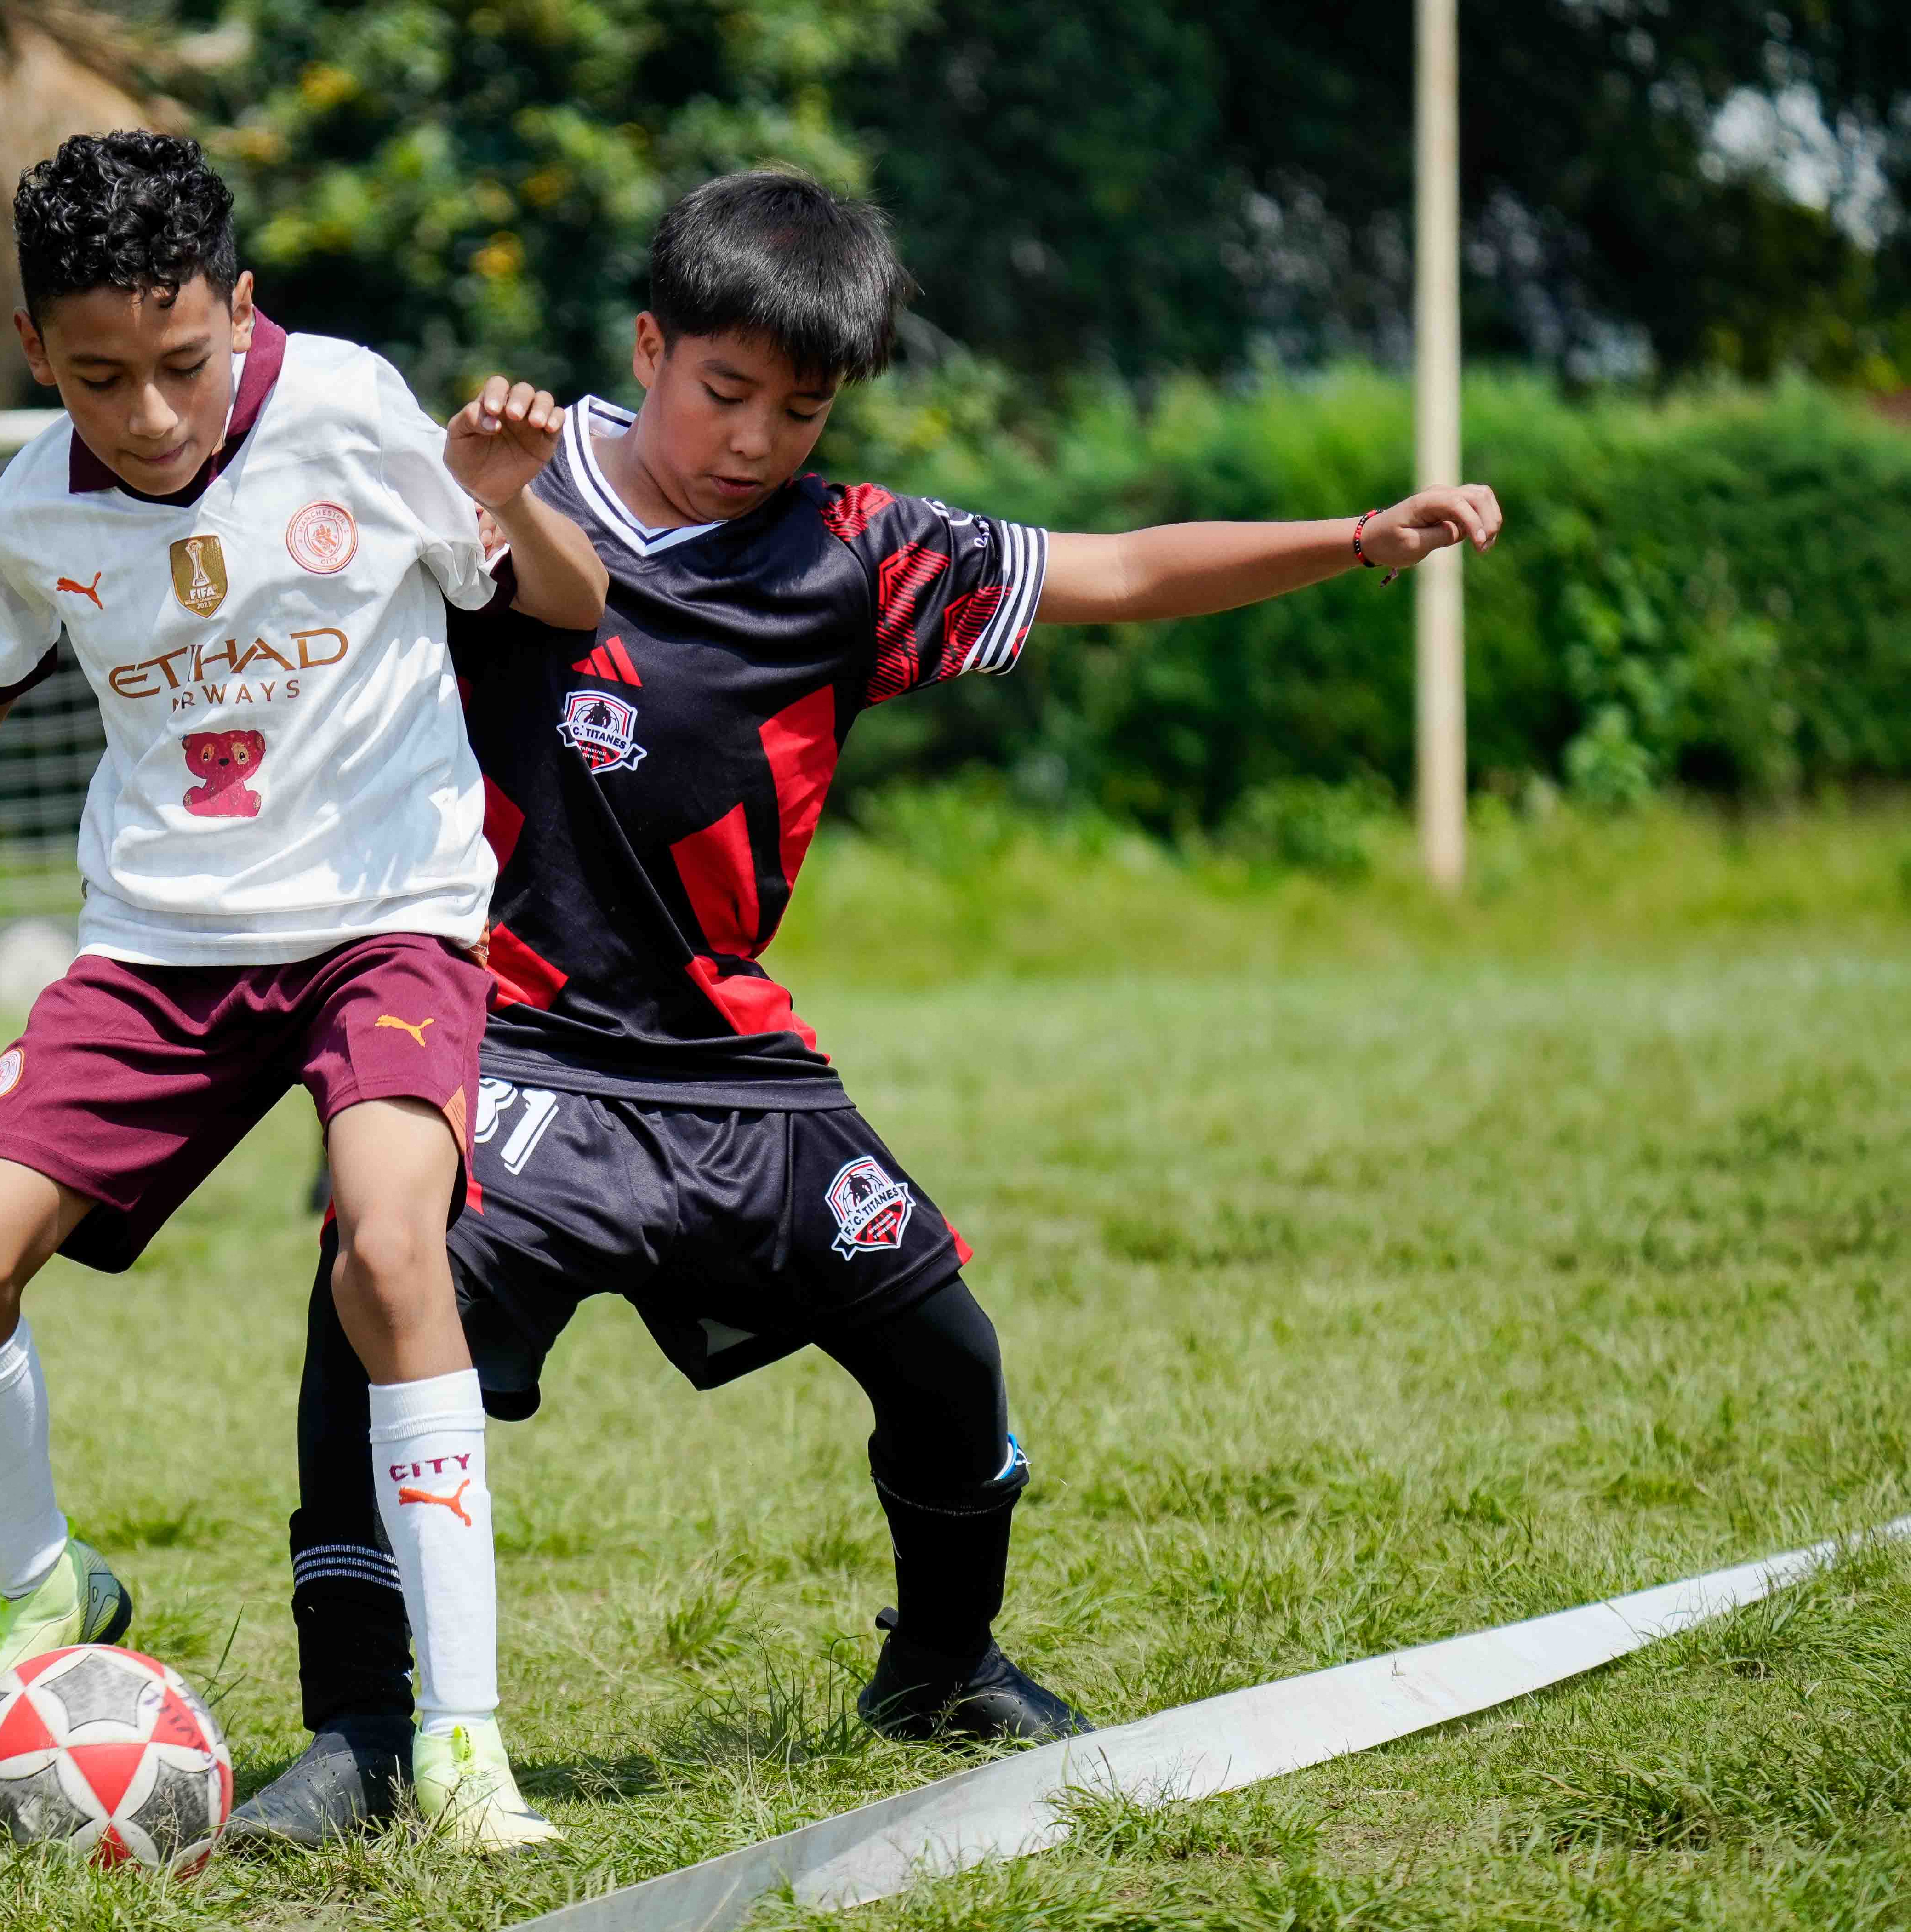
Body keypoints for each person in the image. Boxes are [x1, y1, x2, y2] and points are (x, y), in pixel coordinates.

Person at [229, 170, 1505, 1844]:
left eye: (800, 408)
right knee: (369, 1296)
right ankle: (362, 1731)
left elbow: (1110, 570)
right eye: (723, 392)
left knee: (944, 1347)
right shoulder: (495, 501)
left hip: (729, 1063)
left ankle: (942, 1662)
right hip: (510, 1037)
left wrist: (1351, 541)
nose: (754, 437)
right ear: (651, 344)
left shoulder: (859, 555)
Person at [0, 131, 609, 1850]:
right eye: (95, 377)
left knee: (387, 1245)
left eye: (181, 366)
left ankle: (462, 1739)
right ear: (31, 346)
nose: (143, 415)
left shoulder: (357, 408)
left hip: (389, 922)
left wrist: (505, 492)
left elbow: (575, 604)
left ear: (241, 310)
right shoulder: (31, 511)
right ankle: (44, 1592)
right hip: (158, 945)